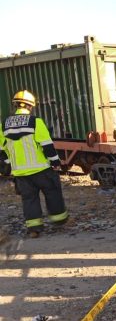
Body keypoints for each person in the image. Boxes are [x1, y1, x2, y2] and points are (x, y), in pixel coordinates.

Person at [0, 90, 69, 238]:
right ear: (30, 107)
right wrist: (55, 162)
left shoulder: (4, 125)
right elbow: (47, 145)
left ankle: (34, 229)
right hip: (41, 169)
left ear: (15, 105)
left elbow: (2, 149)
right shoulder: (35, 122)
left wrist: (7, 165)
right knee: (52, 192)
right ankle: (59, 221)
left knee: (29, 199)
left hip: (20, 173)